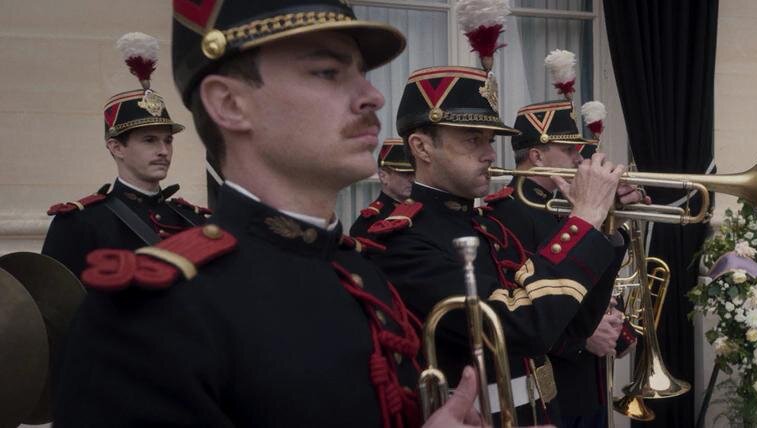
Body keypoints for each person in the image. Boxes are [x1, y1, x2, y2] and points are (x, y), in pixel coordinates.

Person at [53, 2, 482, 426]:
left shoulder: (361, 275)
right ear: (229, 104)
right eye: (327, 72)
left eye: (362, 74)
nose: (373, 96)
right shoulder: (147, 319)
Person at [364, 59, 630, 425]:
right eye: (473, 140)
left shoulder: (489, 226)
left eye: (489, 140)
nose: (490, 153)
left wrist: (602, 229)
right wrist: (583, 220)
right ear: (422, 147)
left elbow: (570, 325)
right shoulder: (401, 242)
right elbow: (520, 326)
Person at [487, 100, 639, 427]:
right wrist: (582, 340)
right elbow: (521, 303)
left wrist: (612, 224)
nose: (579, 159)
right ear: (537, 156)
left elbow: (590, 283)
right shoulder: (507, 212)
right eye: (568, 150)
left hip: (588, 377)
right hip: (556, 378)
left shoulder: (564, 207)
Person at [42, 32, 207, 277]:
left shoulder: (192, 219)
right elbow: (57, 298)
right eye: (149, 140)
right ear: (116, 147)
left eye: (168, 140)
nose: (163, 151)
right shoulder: (79, 222)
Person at [350, 137, 415, 238]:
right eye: (406, 174)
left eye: (415, 173)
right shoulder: (370, 223)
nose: (413, 179)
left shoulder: (424, 209)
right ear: (383, 176)